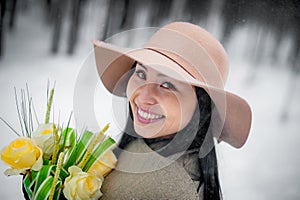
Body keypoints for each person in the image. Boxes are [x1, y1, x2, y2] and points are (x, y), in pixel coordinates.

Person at [93, 22, 252, 199]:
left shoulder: (166, 188)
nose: (144, 97)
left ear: (201, 106)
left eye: (167, 85)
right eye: (141, 74)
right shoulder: (144, 148)